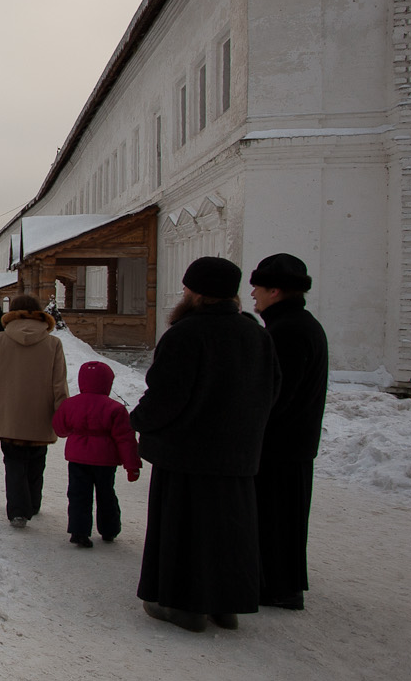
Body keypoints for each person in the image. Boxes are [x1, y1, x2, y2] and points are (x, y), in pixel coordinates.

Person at [132, 256, 280, 633]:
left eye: (186, 288)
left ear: (198, 294)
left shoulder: (186, 334)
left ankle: (184, 607)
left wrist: (137, 420)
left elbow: (166, 397)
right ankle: (224, 605)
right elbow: (272, 389)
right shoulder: (255, 334)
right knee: (228, 530)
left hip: (187, 456)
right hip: (237, 457)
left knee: (185, 529)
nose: (183, 293)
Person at [249, 253, 329, 611]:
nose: (254, 295)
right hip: (292, 440)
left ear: (276, 291)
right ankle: (279, 583)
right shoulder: (300, 324)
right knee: (283, 515)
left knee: (277, 516)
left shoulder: (288, 330)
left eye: (259, 289)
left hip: (281, 442)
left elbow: (278, 391)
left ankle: (279, 587)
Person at [0, 294, 68, 527]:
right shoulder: (53, 343)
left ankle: (18, 510)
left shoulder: (1, 340)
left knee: (13, 462)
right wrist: (62, 413)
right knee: (37, 461)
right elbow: (59, 383)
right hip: (40, 414)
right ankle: (33, 504)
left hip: (9, 414)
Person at [52, 360, 141, 547]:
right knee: (106, 493)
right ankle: (109, 529)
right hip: (105, 460)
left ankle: (79, 531)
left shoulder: (70, 404)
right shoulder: (115, 409)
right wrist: (132, 466)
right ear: (108, 382)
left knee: (78, 494)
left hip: (77, 458)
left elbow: (60, 429)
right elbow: (126, 439)